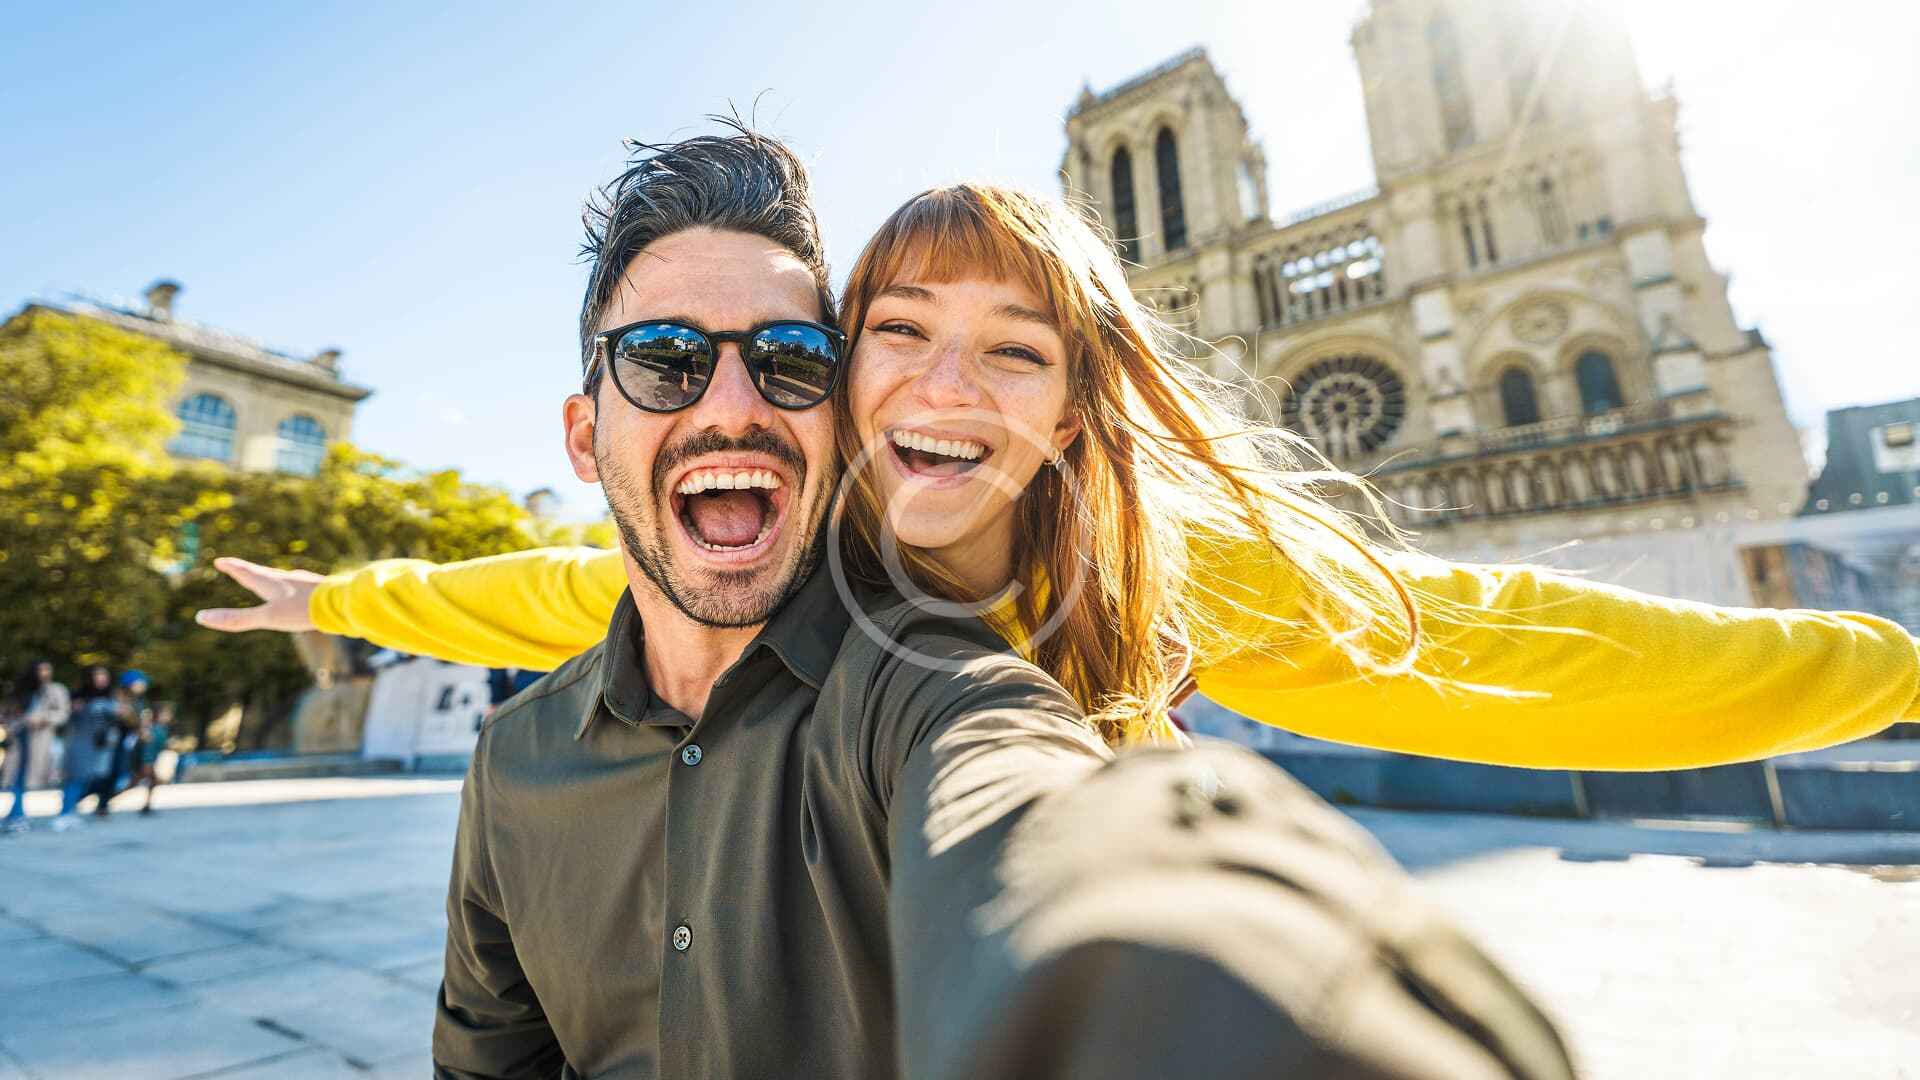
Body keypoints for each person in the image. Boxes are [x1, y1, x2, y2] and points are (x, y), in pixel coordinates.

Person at [205, 127, 1573, 1078]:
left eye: (791, 359)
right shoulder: (517, 763)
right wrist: (339, 598)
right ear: (584, 432)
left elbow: (1030, 797)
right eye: (667, 359)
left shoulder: (926, 679)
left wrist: (1238, 955)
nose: (731, 403)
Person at [201, 184, 1920, 769]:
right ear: (840, 367)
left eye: (1017, 352)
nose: (949, 385)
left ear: (1079, 410)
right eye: (900, 334)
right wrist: (341, 595)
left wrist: (1889, 673)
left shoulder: (1151, 569)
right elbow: (562, 588)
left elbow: (1515, 645)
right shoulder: (781, 546)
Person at [2, 661, 69, 833]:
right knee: (17, 777)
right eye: (41, 669)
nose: (45, 673)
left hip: (39, 738)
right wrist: (12, 724)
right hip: (18, 738)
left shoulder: (56, 690)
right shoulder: (20, 691)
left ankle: (16, 815)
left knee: (25, 779)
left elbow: (62, 714)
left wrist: (43, 718)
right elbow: (7, 714)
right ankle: (17, 815)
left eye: (48, 669)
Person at [55, 666, 119, 829]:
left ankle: (70, 809)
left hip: (102, 747)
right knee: (76, 778)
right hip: (81, 743)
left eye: (104, 675)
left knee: (92, 778)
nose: (102, 679)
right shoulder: (79, 697)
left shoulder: (111, 697)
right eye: (98, 675)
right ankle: (65, 813)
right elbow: (67, 719)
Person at [131, 702, 171, 815]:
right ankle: (106, 800)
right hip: (147, 761)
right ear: (158, 715)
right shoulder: (152, 729)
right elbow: (148, 748)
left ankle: (147, 805)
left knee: (151, 782)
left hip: (151, 761)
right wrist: (147, 763)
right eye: (165, 714)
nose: (168, 716)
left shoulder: (162, 728)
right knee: (133, 783)